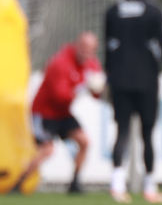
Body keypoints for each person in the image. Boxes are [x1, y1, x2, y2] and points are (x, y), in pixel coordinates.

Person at [105, 0, 162, 204]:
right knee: (147, 134)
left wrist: (107, 79)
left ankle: (117, 185)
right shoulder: (155, 10)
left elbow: (109, 48)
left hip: (119, 79)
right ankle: (149, 188)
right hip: (146, 79)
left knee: (122, 130)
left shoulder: (113, 11)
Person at [14, 32, 104, 193]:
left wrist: (98, 88)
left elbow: (97, 94)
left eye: (90, 50)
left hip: (63, 114)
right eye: (84, 48)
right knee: (48, 150)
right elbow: (59, 96)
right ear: (77, 44)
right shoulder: (60, 62)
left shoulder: (92, 64)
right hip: (44, 113)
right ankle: (18, 183)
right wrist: (83, 86)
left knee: (84, 142)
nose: (86, 54)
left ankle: (74, 183)